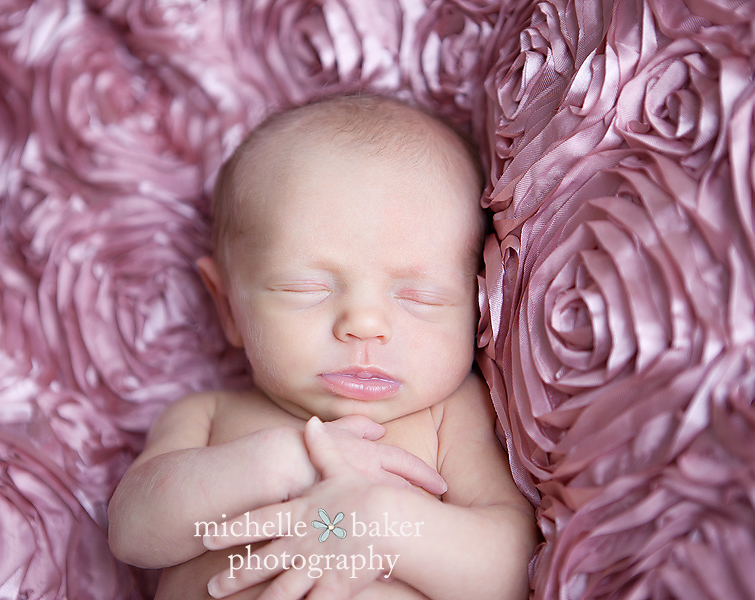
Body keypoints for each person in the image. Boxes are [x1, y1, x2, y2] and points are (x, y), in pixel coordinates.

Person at [108, 94, 537, 600]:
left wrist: (381, 524)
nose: (364, 325)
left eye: (421, 297)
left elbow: (510, 567)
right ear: (228, 306)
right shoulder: (210, 416)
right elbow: (131, 532)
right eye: (305, 289)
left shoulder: (451, 419)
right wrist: (282, 465)